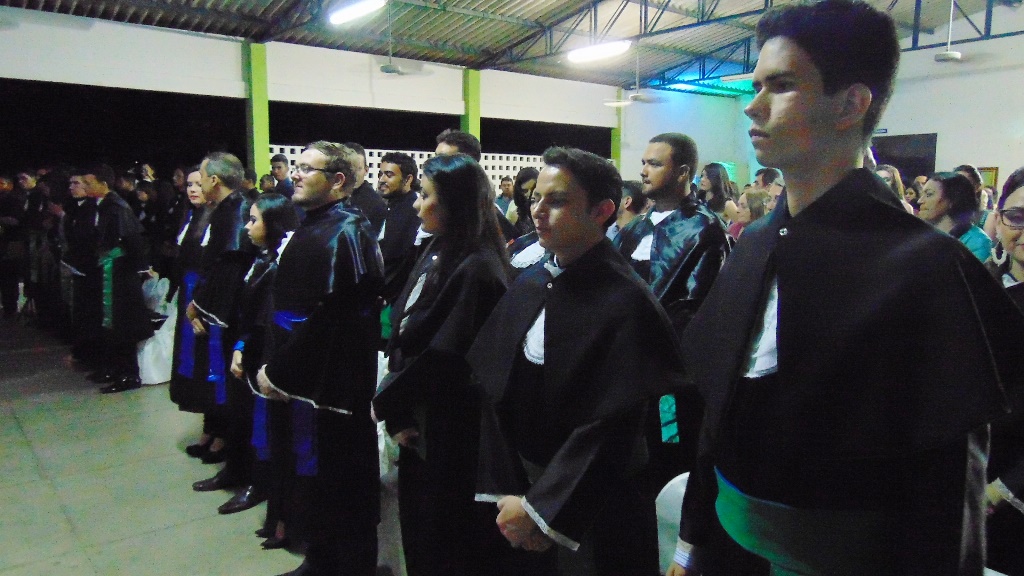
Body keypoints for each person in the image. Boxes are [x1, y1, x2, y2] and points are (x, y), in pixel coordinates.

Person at [669, 2, 1024, 575]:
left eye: (781, 85)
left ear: (851, 103)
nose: (753, 106)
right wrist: (690, 545)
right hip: (726, 548)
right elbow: (718, 416)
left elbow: (946, 486)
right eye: (756, 86)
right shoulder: (755, 242)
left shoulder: (928, 267)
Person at [469, 146, 685, 576]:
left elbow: (611, 427)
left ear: (602, 211)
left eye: (558, 201)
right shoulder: (532, 280)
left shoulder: (626, 301)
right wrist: (509, 491)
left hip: (593, 504)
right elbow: (492, 384)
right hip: (520, 491)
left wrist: (542, 509)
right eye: (536, 198)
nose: (538, 211)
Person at [372, 153, 511, 576]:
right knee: (418, 527)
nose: (416, 204)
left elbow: (445, 356)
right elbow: (407, 325)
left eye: (425, 195)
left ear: (454, 203)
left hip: (447, 424)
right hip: (418, 412)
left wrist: (391, 403)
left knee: (442, 535)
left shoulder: (478, 267)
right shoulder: (441, 247)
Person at [256, 141, 384, 576]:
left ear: (337, 181)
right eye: (297, 165)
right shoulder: (314, 223)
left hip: (330, 381)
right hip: (301, 371)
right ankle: (320, 559)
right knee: (314, 479)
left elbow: (336, 316)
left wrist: (282, 370)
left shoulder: (348, 230)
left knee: (340, 480)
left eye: (307, 168)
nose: (295, 173)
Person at [614, 132, 730, 492]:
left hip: (669, 376)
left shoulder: (705, 230)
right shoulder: (635, 228)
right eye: (643, 163)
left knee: (668, 449)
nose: (643, 171)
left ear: (682, 172)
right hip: (624, 368)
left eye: (654, 163)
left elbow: (699, 309)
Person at [222, 194, 299, 529]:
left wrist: (243, 345)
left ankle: (261, 485)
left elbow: (264, 317)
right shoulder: (261, 258)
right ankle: (246, 475)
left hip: (266, 354)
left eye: (254, 220)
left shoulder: (280, 264)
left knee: (265, 426)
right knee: (250, 420)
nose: (247, 227)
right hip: (252, 348)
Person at [188, 152, 259, 496]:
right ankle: (233, 462)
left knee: (240, 396)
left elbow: (230, 268)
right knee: (229, 395)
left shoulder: (237, 210)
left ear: (214, 180)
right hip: (227, 313)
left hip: (238, 318)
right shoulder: (224, 210)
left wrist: (202, 307)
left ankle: (241, 470)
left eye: (201, 177)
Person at [984, 166, 1024, 576]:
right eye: (1017, 216)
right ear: (998, 218)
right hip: (967, 477)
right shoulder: (977, 284)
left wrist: (1004, 488)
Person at [83, 164, 153, 393]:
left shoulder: (117, 207)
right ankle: (112, 367)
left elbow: (133, 240)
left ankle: (128, 374)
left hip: (120, 272)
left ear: (103, 184)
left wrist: (141, 268)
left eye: (88, 183)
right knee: (108, 322)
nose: (84, 187)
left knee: (122, 322)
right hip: (108, 269)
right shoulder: (101, 206)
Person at [169, 167, 222, 460]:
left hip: (207, 299)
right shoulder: (192, 215)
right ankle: (209, 427)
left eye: (198, 184)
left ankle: (222, 433)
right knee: (197, 366)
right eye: (189, 184)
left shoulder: (221, 218)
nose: (192, 189)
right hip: (189, 294)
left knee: (212, 364)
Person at [377, 151, 423, 346]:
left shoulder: (412, 210)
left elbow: (401, 259)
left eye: (389, 175)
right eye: (381, 174)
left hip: (393, 303)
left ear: (408, 179)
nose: (382, 180)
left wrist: (383, 293)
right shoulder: (392, 206)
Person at [918, 172, 992, 261]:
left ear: (952, 199)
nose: (920, 201)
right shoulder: (922, 235)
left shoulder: (977, 241)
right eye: (921, 195)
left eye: (929, 194)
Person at [345, 142, 387, 235]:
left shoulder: (376, 204)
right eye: (349, 169)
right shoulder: (329, 195)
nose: (354, 174)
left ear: (366, 170)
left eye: (358, 169)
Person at [507, 166, 539, 237]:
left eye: (533, 189)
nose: (530, 194)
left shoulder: (546, 207)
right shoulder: (514, 209)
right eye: (525, 191)